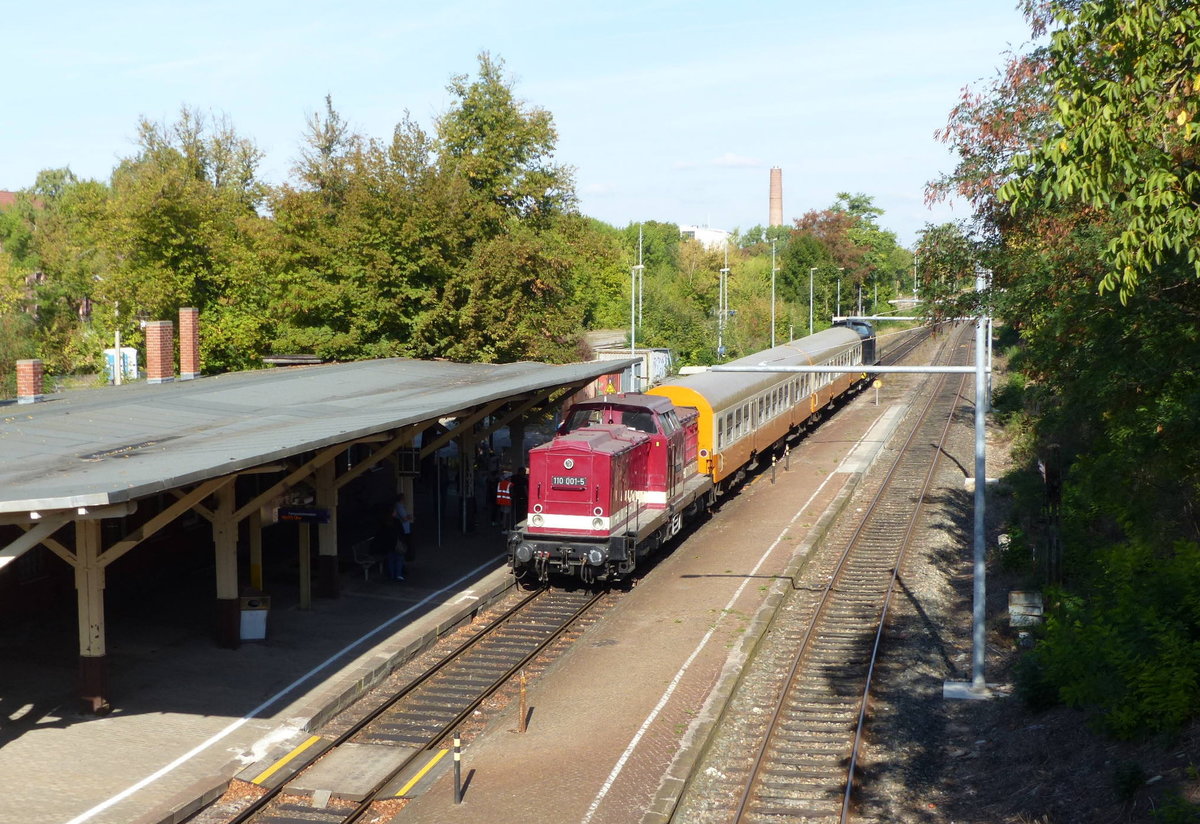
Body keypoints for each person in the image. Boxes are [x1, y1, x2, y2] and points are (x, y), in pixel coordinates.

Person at [389, 493, 414, 580]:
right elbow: (403, 520)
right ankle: (398, 574)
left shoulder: (391, 521)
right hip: (397, 540)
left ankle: (393, 575)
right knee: (399, 556)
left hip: (393, 541)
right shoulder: (396, 521)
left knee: (392, 558)